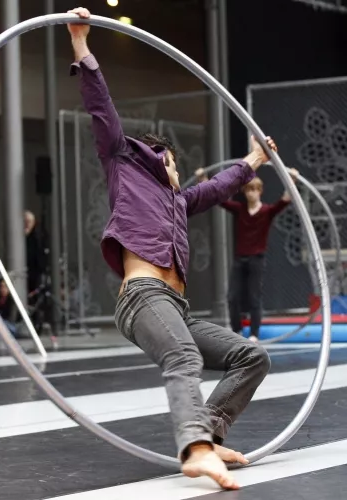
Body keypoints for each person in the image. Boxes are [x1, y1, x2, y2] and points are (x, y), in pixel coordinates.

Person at [67, 7, 274, 490]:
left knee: (252, 356)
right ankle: (195, 448)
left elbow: (223, 185)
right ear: (161, 159)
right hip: (142, 298)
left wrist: (256, 158)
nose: (180, 174)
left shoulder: (179, 202)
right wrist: (81, 43)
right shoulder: (125, 165)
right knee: (184, 357)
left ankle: (211, 430)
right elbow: (102, 108)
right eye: (176, 164)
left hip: (174, 307)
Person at [195, 168, 299, 342]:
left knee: (254, 297)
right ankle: (237, 331)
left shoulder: (267, 211)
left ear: (260, 191)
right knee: (232, 297)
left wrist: (292, 180)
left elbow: (285, 200)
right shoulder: (240, 209)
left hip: (256, 259)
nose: (251, 194)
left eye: (254, 190)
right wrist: (202, 179)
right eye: (248, 190)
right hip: (240, 258)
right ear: (245, 192)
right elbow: (218, 199)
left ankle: (254, 334)